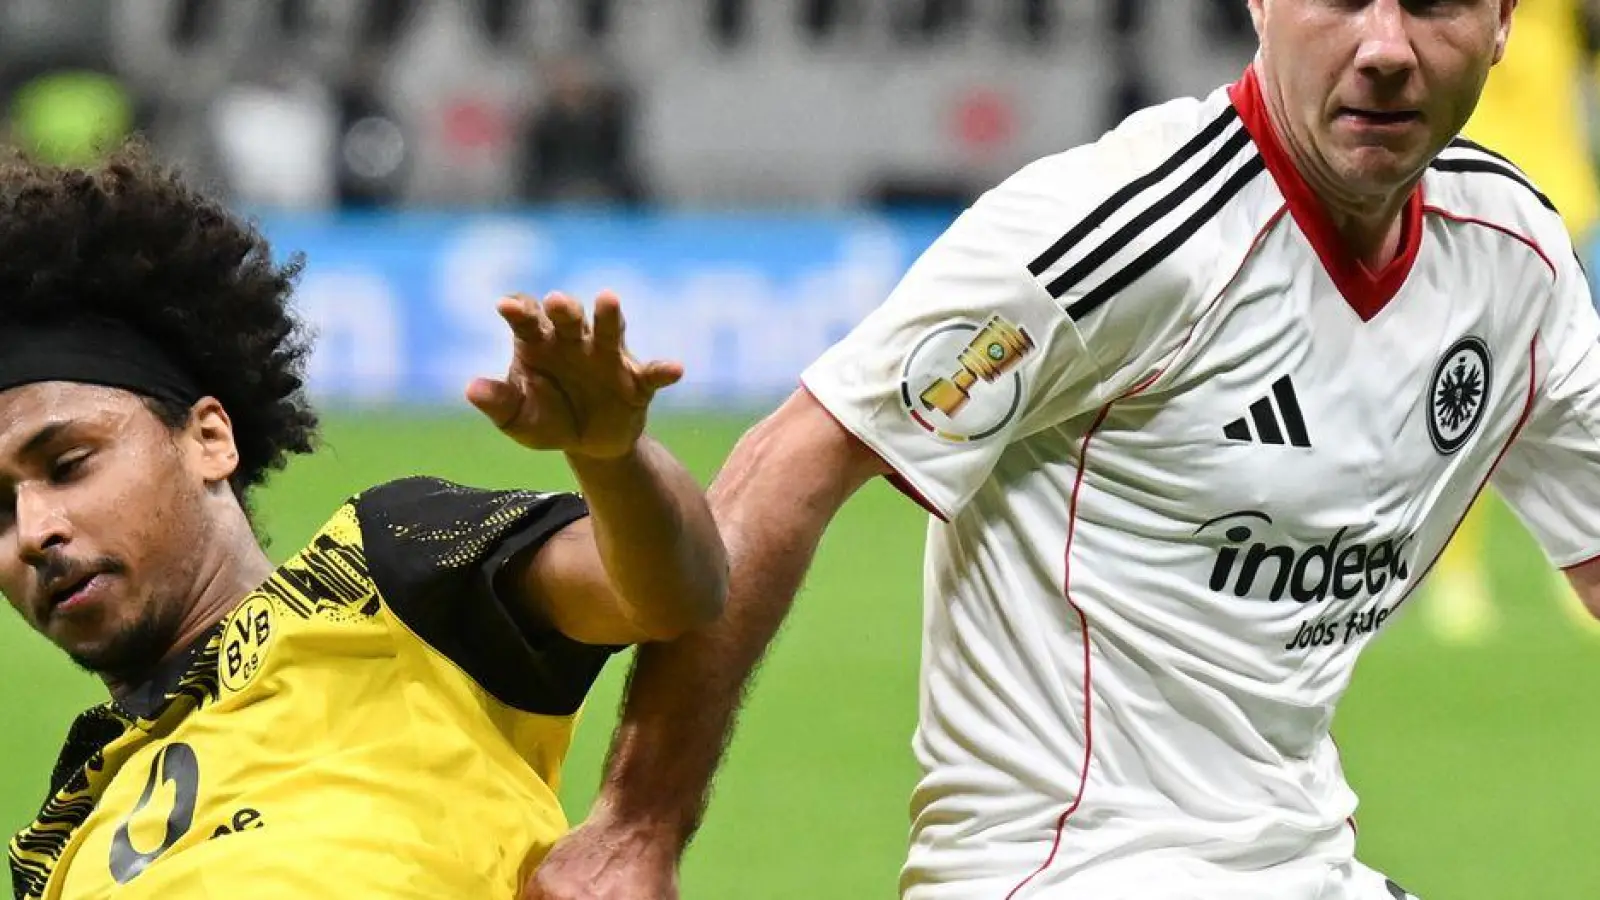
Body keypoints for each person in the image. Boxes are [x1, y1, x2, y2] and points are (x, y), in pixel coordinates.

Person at [530, 1, 1600, 898]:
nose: (1383, 44)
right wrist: (640, 821)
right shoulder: (1120, 233)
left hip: (1305, 865)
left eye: (1431, 1)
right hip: (1063, 871)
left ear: (1503, 22)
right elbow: (799, 458)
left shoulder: (1513, 258)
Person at [1, 142, 726, 899]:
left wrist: (613, 459)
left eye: (70, 464)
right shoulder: (64, 844)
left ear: (209, 440)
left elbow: (676, 592)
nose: (35, 529)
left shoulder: (379, 577)